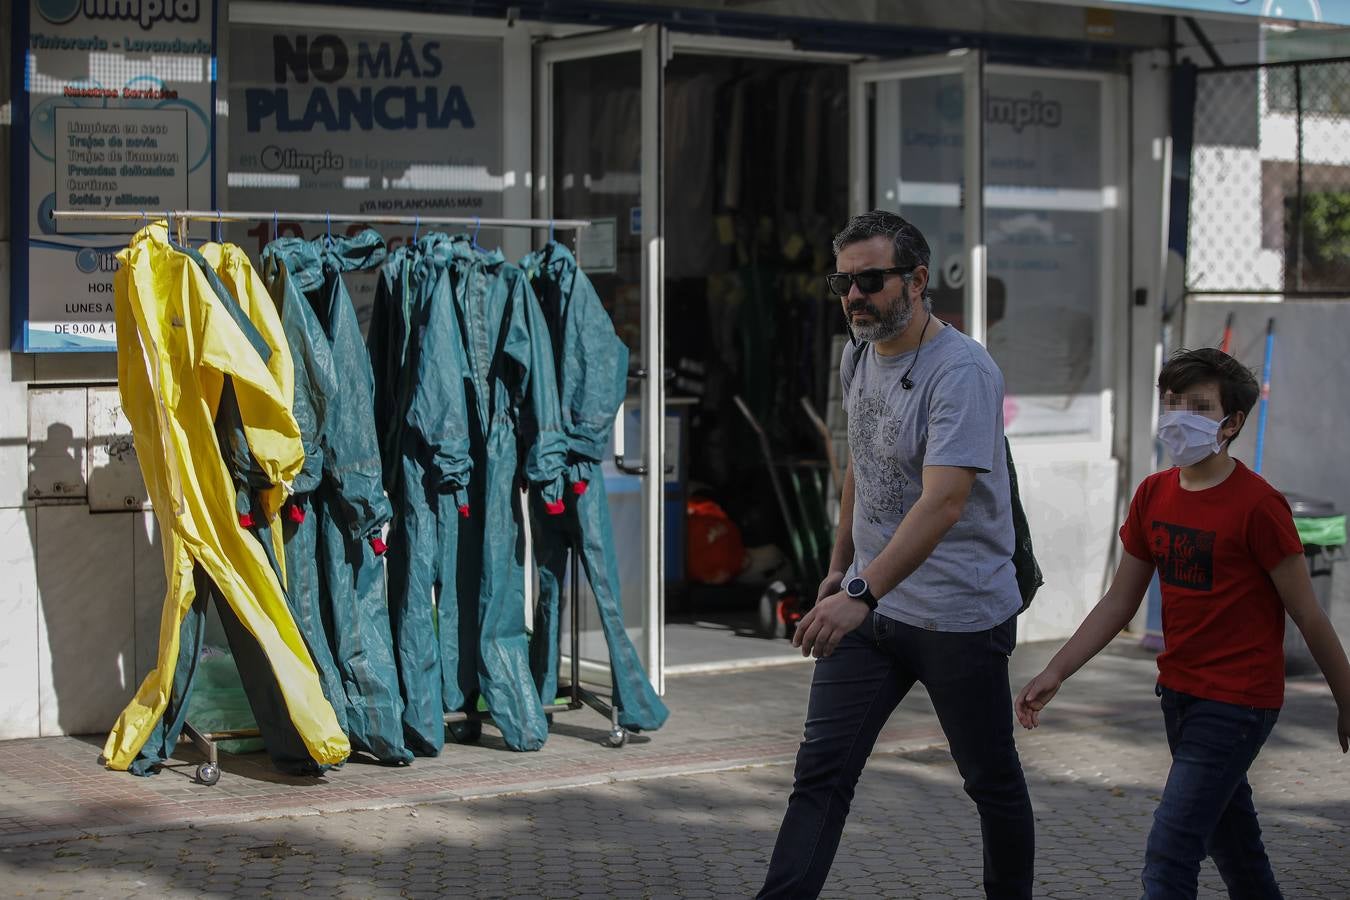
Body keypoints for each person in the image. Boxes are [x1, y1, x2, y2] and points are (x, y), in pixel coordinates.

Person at [758, 210, 1034, 899]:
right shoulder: (858, 353)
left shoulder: (962, 372)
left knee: (990, 781)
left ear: (916, 280)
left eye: (871, 280)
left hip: (957, 615)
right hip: (871, 608)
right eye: (844, 282)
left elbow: (942, 503)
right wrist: (837, 565)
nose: (855, 296)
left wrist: (859, 594)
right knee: (821, 772)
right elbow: (863, 461)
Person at [1016, 347, 1350, 900]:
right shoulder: (1153, 495)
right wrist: (1057, 670)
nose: (1178, 415)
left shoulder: (1260, 506)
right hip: (1178, 696)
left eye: (1197, 406)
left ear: (1231, 422)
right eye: (1171, 401)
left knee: (1170, 857)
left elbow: (1307, 613)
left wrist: (1345, 698)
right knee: (1237, 849)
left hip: (1239, 703)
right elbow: (1119, 602)